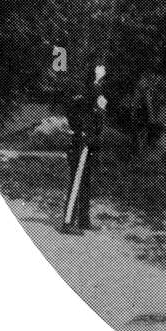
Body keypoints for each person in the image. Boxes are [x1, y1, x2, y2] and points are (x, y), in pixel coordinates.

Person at [62, 67, 107, 233]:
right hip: (80, 141)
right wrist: (83, 131)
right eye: (98, 75)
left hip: (90, 140)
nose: (101, 79)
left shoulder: (93, 91)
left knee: (86, 181)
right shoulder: (80, 90)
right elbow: (75, 114)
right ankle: (67, 223)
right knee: (77, 180)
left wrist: (100, 108)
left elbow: (96, 116)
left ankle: (83, 221)